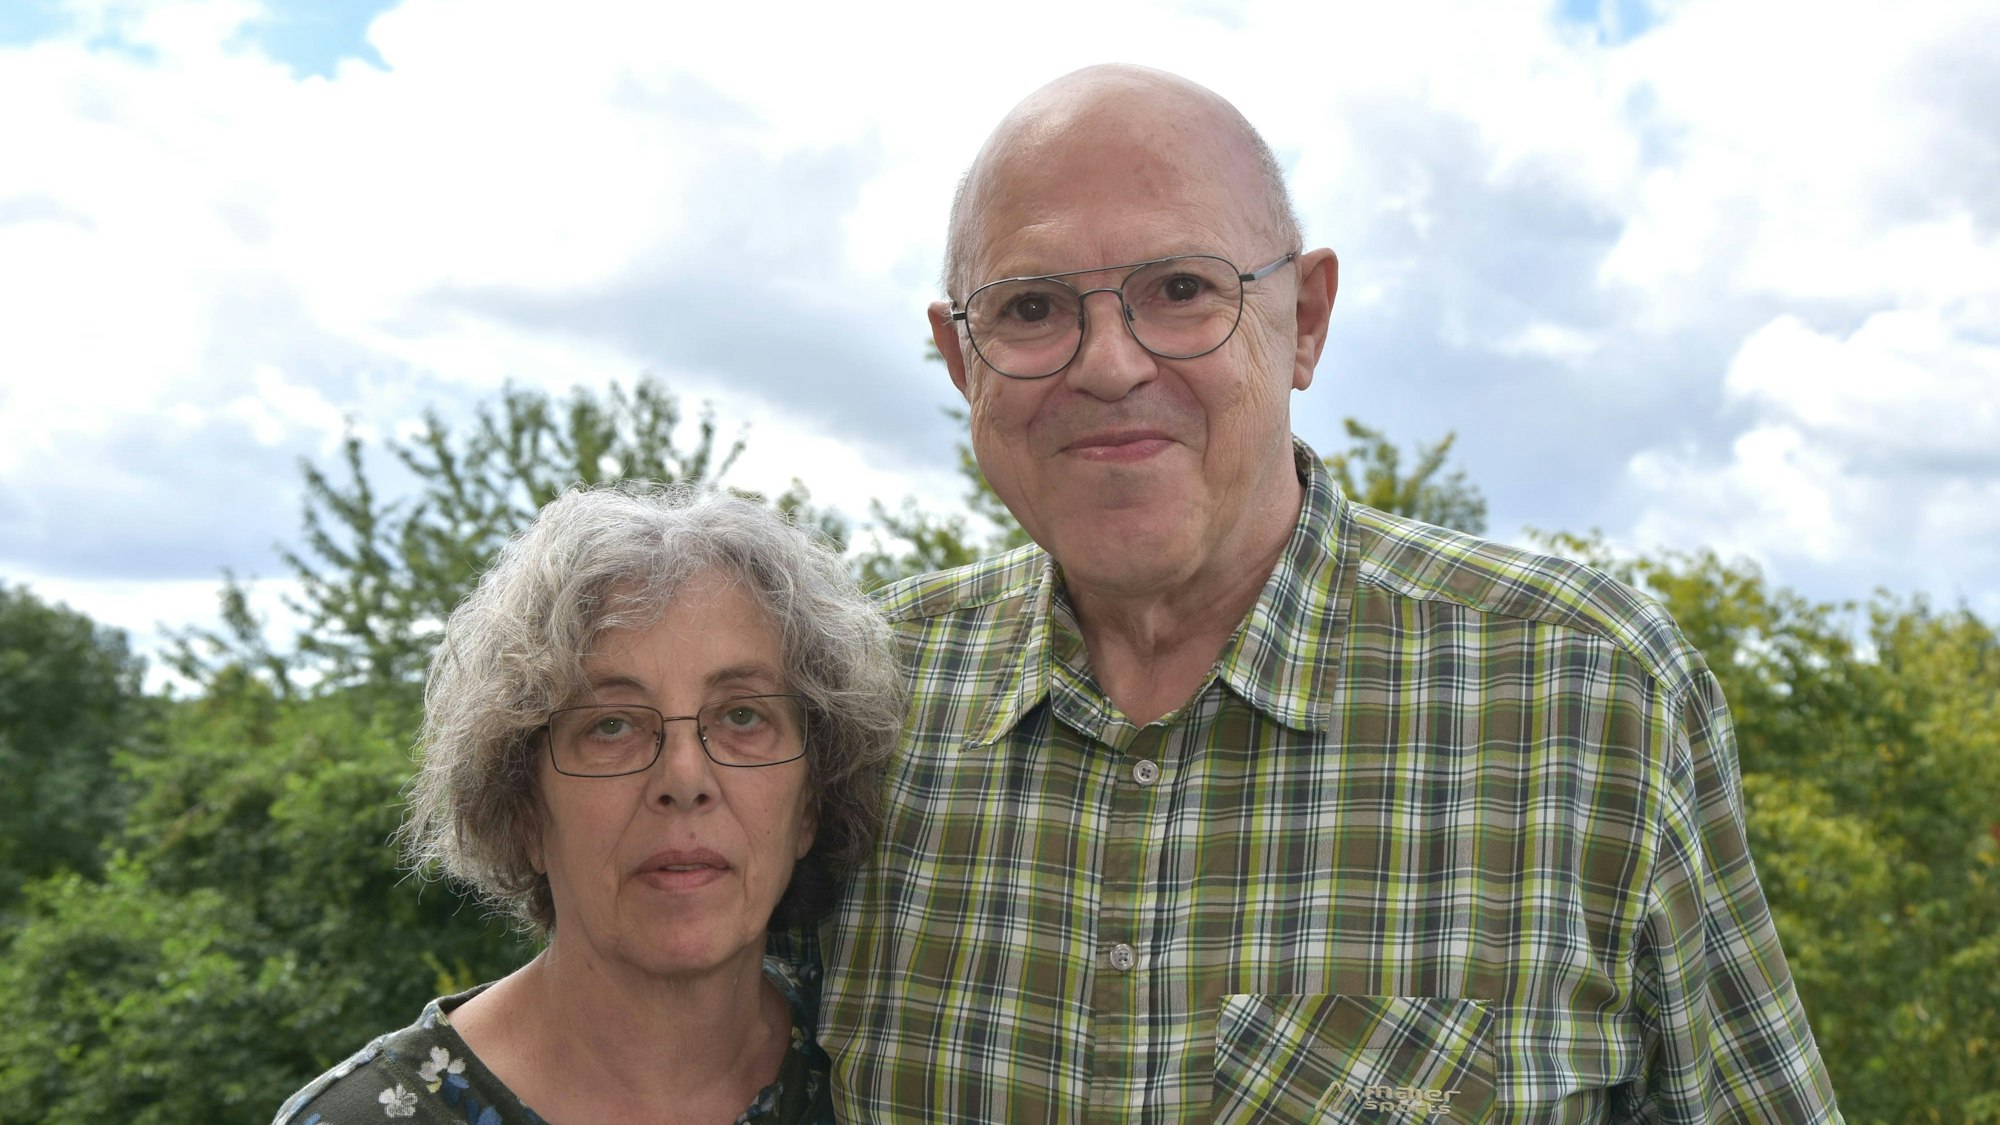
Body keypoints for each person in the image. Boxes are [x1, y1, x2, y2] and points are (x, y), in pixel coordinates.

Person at [814, 65, 1842, 1121]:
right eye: (1031, 308)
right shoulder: (851, 706)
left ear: (1303, 321)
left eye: (1181, 290)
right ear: (959, 360)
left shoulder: (1586, 690)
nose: (1110, 364)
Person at [274, 487, 901, 1125]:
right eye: (610, 726)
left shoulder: (883, 1073)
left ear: (810, 806)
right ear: (521, 810)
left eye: (743, 715)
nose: (685, 779)